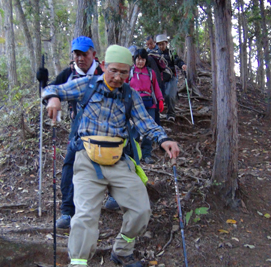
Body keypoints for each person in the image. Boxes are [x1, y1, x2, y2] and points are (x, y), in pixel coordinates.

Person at [42, 45, 180, 267]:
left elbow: (145, 123)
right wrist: (53, 98)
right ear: (104, 66)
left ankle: (122, 252)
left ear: (130, 72)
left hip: (118, 161)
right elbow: (53, 89)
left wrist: (164, 140)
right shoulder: (87, 86)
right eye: (113, 70)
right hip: (87, 161)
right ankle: (78, 263)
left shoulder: (130, 95)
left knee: (141, 209)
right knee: (85, 217)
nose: (117, 77)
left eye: (123, 72)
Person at [37, 36, 117, 229]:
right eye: (76, 54)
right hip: (78, 129)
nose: (80, 58)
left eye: (84, 54)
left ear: (93, 54)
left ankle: (114, 196)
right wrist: (43, 84)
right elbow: (51, 91)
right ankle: (67, 211)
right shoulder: (68, 74)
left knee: (115, 160)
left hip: (106, 128)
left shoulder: (104, 72)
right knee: (69, 166)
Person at [127, 48, 164, 164]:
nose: (140, 61)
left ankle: (146, 154)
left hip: (149, 103)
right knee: (135, 130)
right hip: (134, 105)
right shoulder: (130, 72)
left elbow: (156, 87)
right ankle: (132, 153)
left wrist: (160, 99)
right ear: (134, 59)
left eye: (142, 59)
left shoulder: (150, 72)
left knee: (149, 129)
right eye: (138, 59)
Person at [155, 33, 187, 122]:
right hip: (159, 79)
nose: (161, 46)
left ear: (166, 43)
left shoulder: (171, 53)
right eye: (159, 44)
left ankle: (171, 114)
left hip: (171, 77)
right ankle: (157, 114)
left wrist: (182, 65)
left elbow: (178, 60)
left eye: (163, 44)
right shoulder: (155, 54)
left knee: (170, 95)